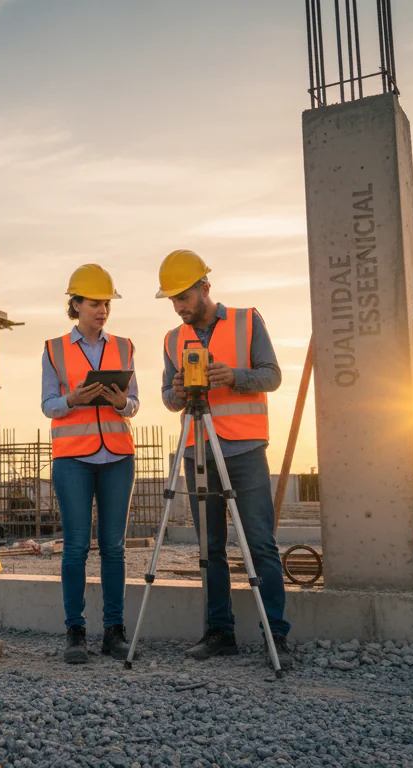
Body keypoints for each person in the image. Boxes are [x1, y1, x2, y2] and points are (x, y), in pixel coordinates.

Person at [156, 249, 291, 663]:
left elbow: (272, 375)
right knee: (208, 548)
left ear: (205, 289)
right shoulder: (172, 339)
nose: (179, 307)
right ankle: (220, 632)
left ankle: (276, 637)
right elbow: (168, 398)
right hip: (199, 452)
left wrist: (234, 376)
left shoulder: (248, 321)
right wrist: (178, 391)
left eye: (184, 297)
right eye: (173, 300)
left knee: (260, 545)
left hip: (246, 450)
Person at [42, 264, 139, 664]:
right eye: (95, 303)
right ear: (76, 304)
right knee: (76, 547)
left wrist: (122, 403)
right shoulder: (54, 349)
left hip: (117, 456)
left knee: (114, 548)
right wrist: (73, 401)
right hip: (73, 460)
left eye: (106, 303)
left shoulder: (125, 346)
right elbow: (48, 404)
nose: (102, 310)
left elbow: (134, 404)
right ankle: (75, 632)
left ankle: (114, 632)